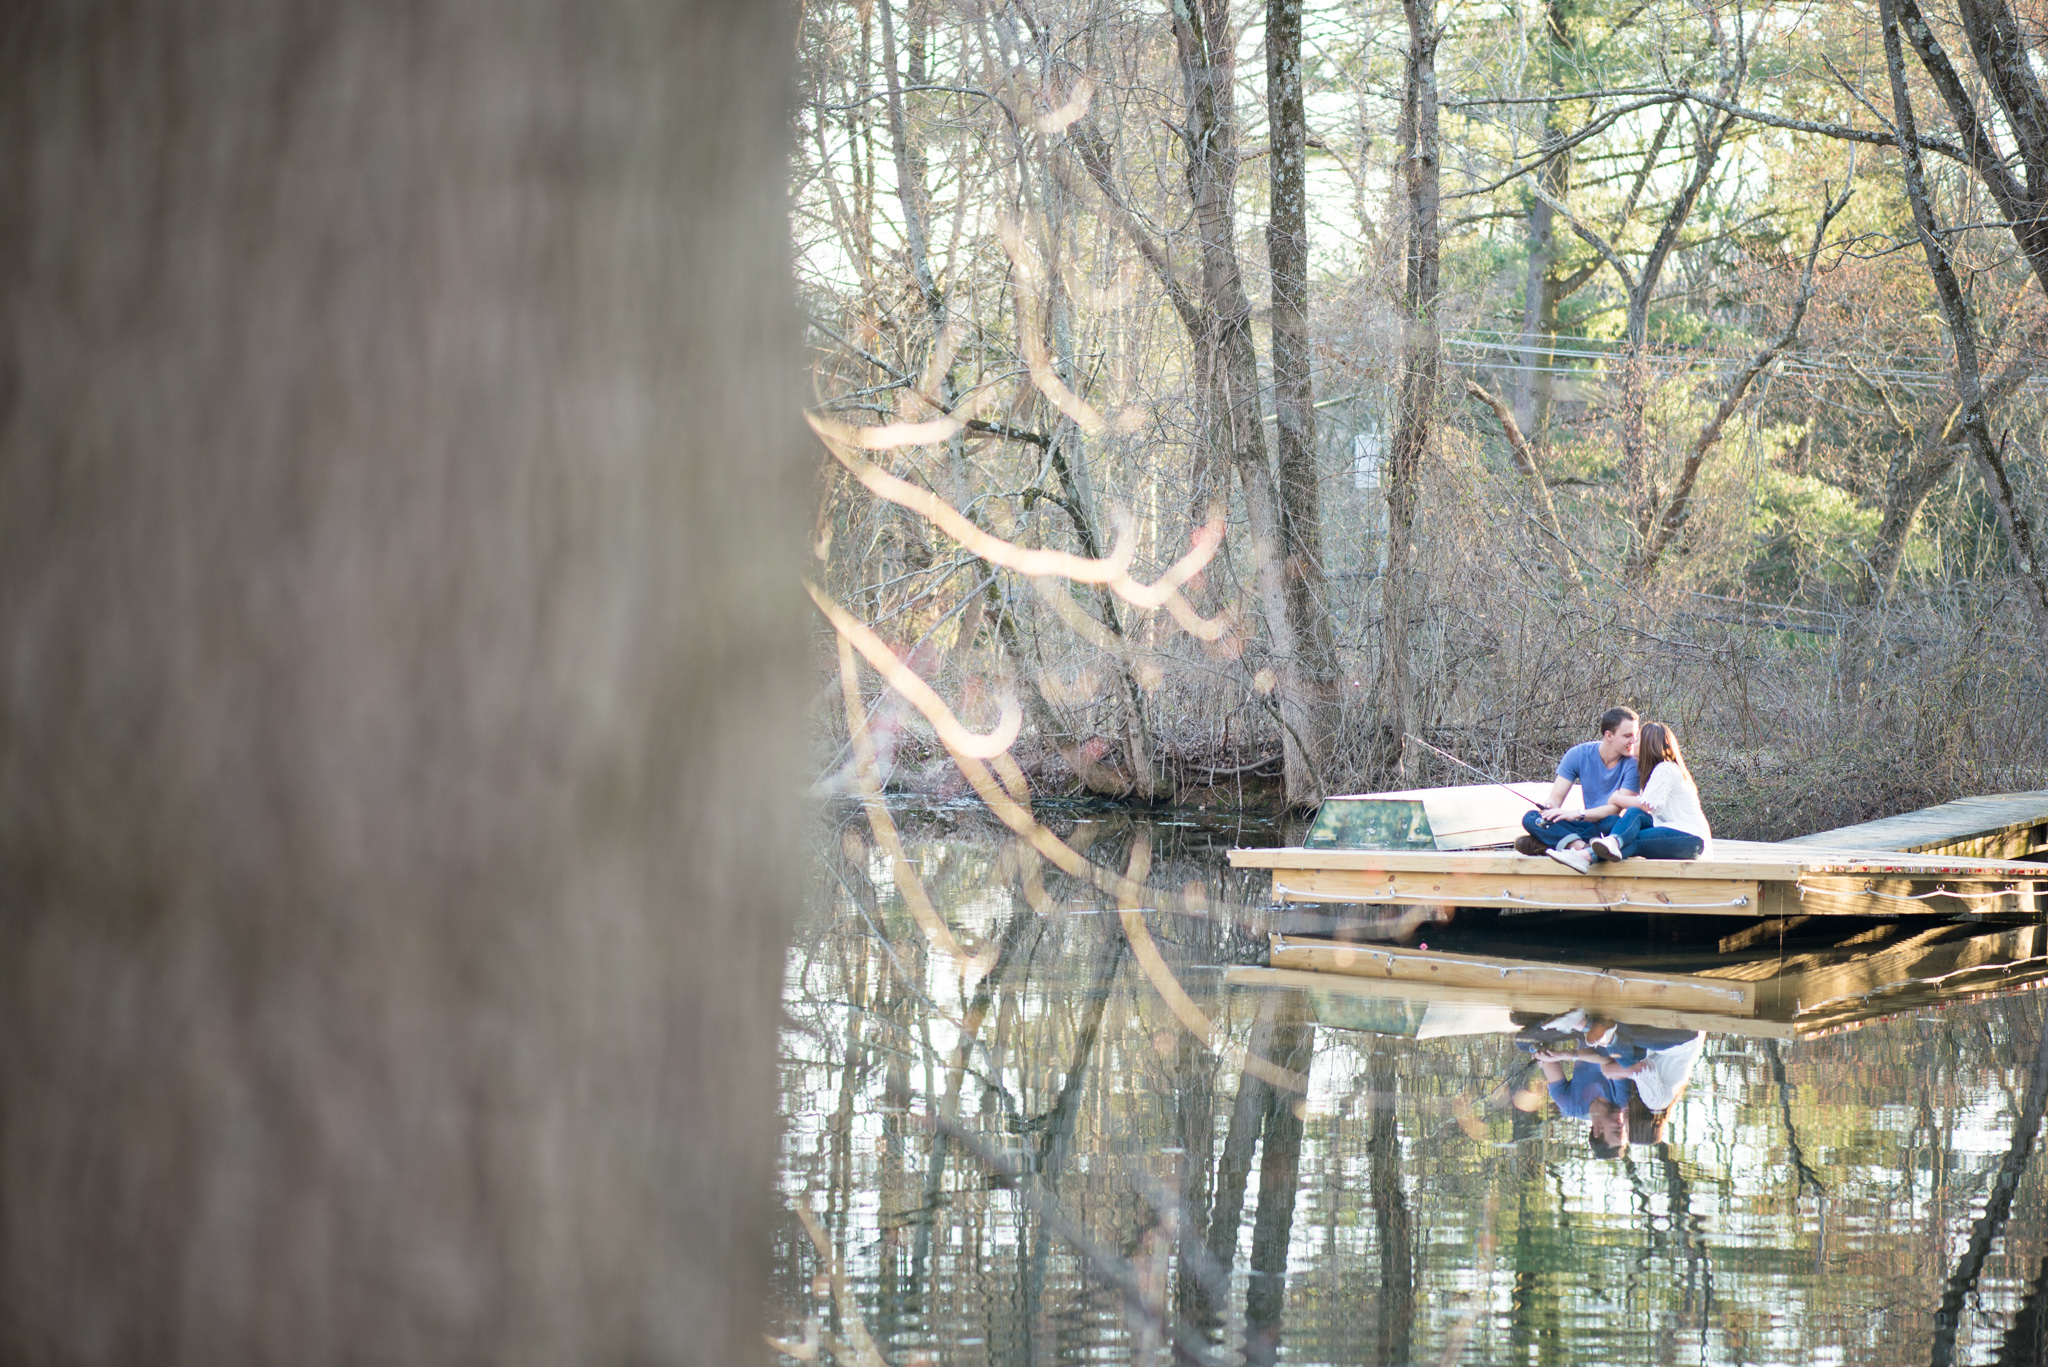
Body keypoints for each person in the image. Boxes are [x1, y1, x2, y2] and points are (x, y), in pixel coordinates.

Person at [1518, 707, 1640, 872]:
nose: (1633, 741)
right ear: (1609, 735)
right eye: (1627, 736)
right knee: (1532, 818)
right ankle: (1582, 849)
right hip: (1584, 827)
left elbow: (1615, 809)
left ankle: (1548, 844)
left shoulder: (1633, 764)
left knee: (1612, 821)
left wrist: (1577, 813)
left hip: (1607, 829)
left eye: (1635, 735)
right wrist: (1550, 808)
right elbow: (1555, 798)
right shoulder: (1578, 754)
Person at [1590, 721, 1711, 861]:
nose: (1633, 742)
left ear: (1647, 745)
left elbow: (1646, 805)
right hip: (1672, 830)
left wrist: (1616, 798)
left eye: (1637, 739)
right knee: (1633, 814)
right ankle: (1603, 846)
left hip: (1691, 838)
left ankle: (1587, 855)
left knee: (1634, 839)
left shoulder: (1665, 769)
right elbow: (1642, 808)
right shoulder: (1659, 770)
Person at [1534, 1045, 1633, 1158]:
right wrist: (1569, 1055)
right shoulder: (1623, 1100)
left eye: (1616, 1130)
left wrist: (1544, 1056)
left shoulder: (1571, 1106)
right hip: (1611, 1039)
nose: (1622, 1125)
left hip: (1583, 1038)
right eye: (1624, 1130)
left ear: (1597, 1130)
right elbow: (1608, 1060)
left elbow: (1550, 1065)